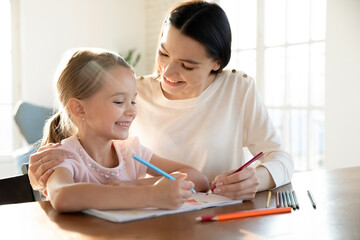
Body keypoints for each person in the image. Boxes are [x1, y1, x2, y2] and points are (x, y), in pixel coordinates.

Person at [28, 1, 293, 201]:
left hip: (219, 218)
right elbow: (82, 141)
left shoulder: (238, 88)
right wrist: (42, 172)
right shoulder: (133, 92)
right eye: (163, 53)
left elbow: (280, 157)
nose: (167, 72)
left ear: (217, 64)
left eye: (187, 66)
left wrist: (257, 179)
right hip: (153, 221)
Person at [37, 49, 209, 212]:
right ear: (79, 109)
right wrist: (151, 195)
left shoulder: (131, 151)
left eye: (133, 101)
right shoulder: (63, 156)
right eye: (119, 102)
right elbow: (62, 196)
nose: (132, 111)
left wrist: (134, 186)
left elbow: (198, 179)